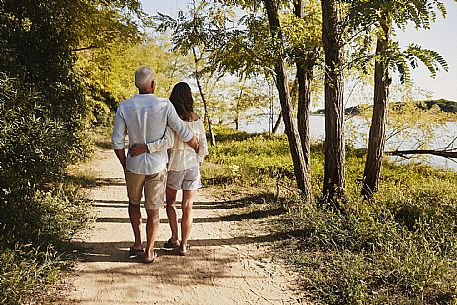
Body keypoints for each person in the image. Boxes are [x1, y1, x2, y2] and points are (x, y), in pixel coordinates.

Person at [111, 67, 198, 263]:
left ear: (136, 84)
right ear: (152, 85)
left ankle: (137, 243)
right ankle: (150, 251)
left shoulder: (125, 106)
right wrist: (195, 145)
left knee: (133, 204)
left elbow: (117, 142)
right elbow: (182, 130)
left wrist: (126, 164)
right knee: (154, 210)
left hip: (134, 166)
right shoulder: (164, 105)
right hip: (157, 166)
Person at [131, 82, 208, 256]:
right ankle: (184, 245)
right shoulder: (197, 120)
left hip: (174, 167)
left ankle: (174, 238)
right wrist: (197, 159)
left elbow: (167, 142)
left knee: (171, 203)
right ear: (189, 97)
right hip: (192, 166)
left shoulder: (171, 119)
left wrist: (145, 148)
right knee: (188, 206)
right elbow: (203, 146)